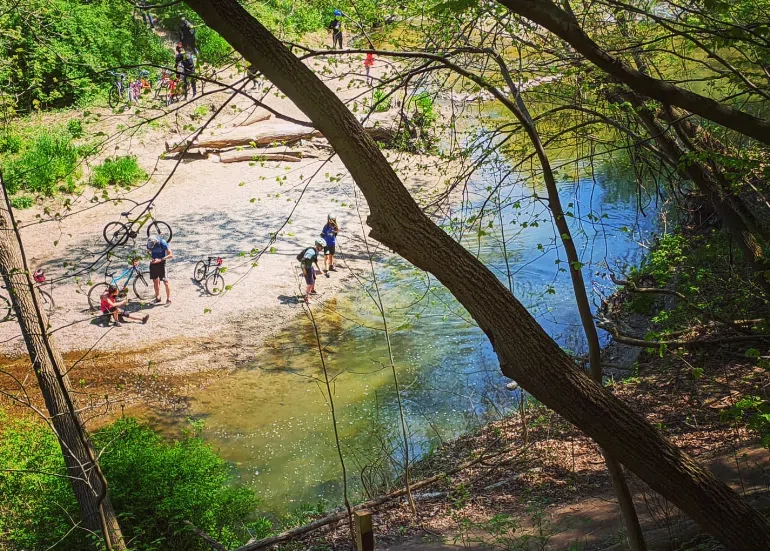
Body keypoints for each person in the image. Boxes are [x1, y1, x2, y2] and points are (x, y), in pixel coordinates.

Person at [147, 235, 173, 304]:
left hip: (162, 263)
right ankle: (158, 297)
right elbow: (147, 252)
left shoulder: (162, 243)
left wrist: (160, 259)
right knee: (155, 281)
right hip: (153, 263)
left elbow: (170, 255)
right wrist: (151, 258)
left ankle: (168, 299)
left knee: (165, 282)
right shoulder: (149, 243)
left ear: (155, 241)